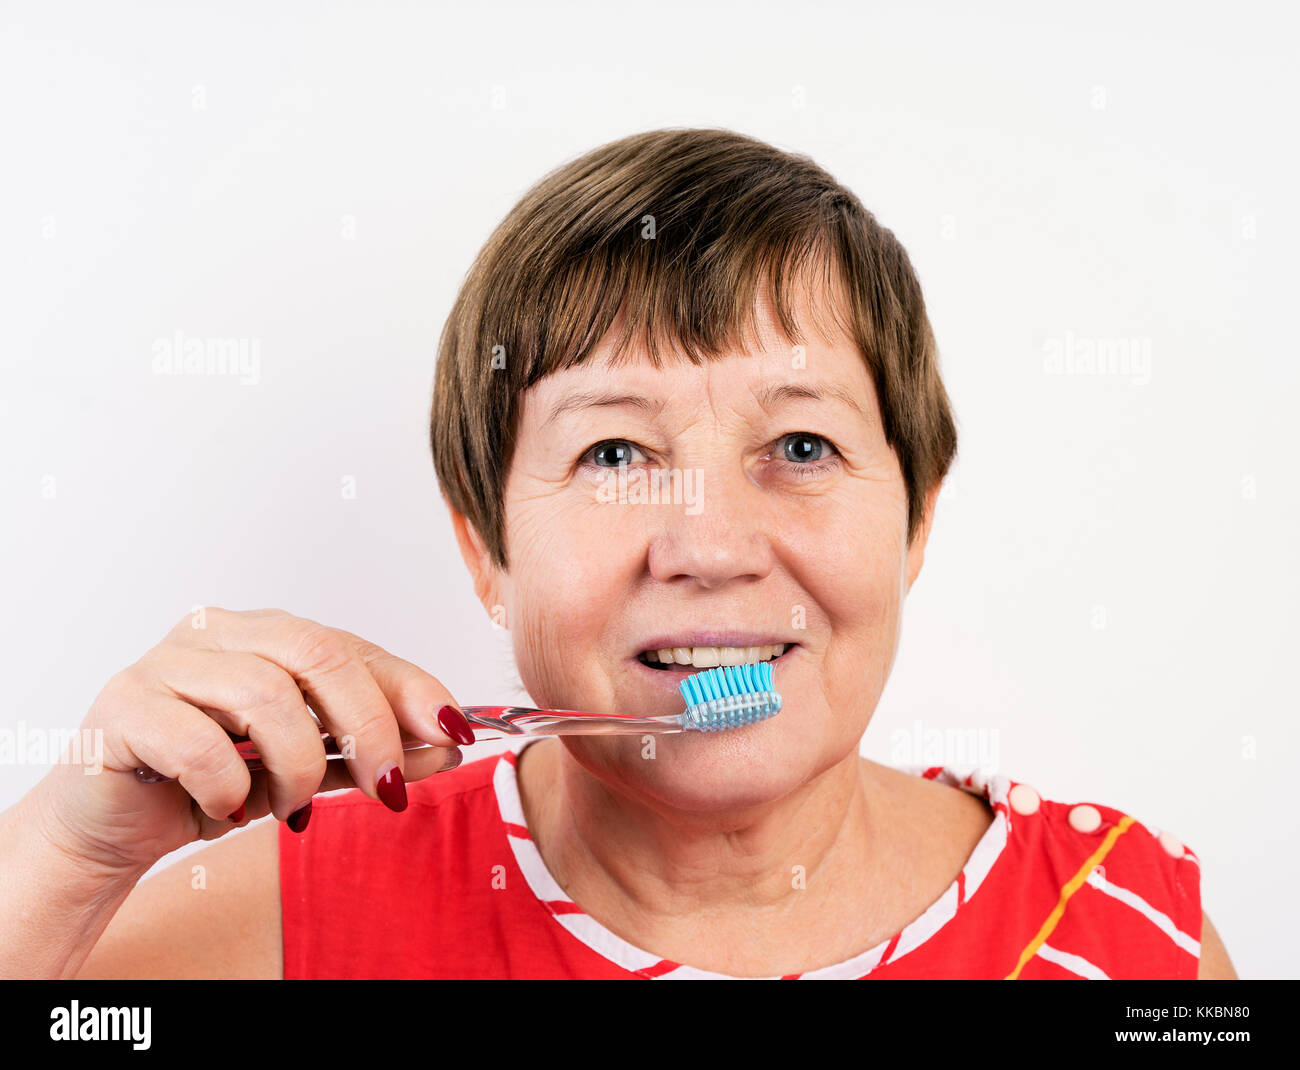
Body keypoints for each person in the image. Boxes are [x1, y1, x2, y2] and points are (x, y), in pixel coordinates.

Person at [0, 128, 1236, 979]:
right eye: (611, 453)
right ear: (485, 548)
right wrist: (64, 856)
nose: (710, 544)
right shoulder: (284, 919)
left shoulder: (1126, 931)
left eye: (801, 445)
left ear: (915, 521)